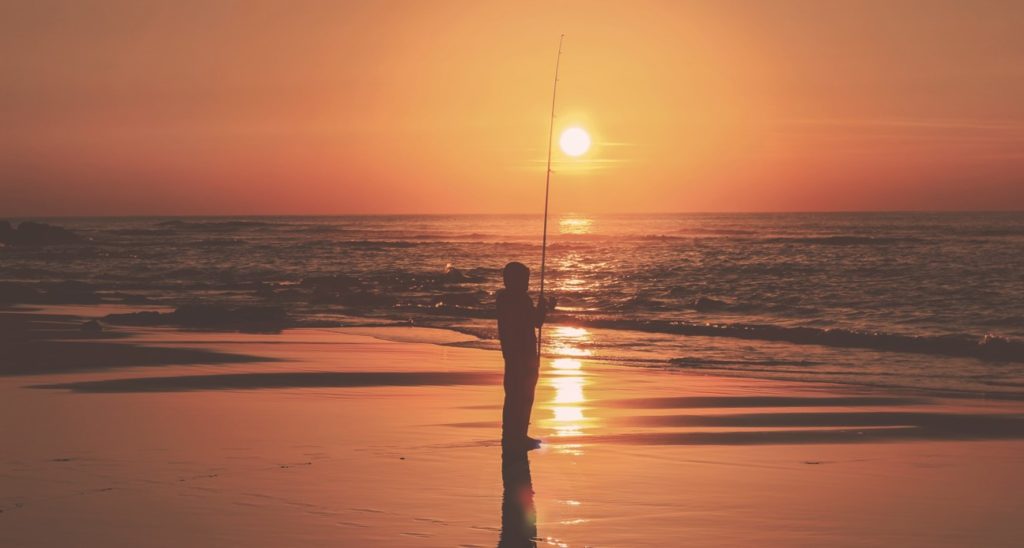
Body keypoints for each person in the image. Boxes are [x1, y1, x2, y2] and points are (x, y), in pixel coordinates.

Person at [496, 261, 550, 450]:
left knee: (513, 396)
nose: (527, 284)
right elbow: (536, 322)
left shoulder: (502, 300)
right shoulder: (521, 300)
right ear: (514, 280)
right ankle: (518, 436)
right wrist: (543, 307)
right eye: (525, 280)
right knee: (524, 396)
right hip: (524, 356)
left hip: (511, 356)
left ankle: (512, 434)